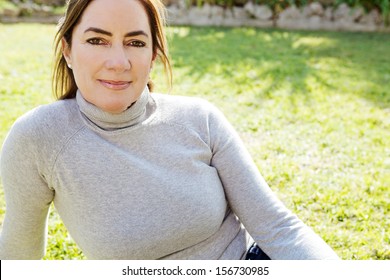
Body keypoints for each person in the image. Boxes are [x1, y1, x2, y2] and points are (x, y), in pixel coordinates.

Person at [0, 0, 339, 260]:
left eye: (135, 43)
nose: (118, 62)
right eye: (97, 40)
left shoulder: (199, 118)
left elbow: (277, 226)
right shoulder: (39, 138)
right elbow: (20, 256)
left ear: (153, 55)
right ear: (68, 51)